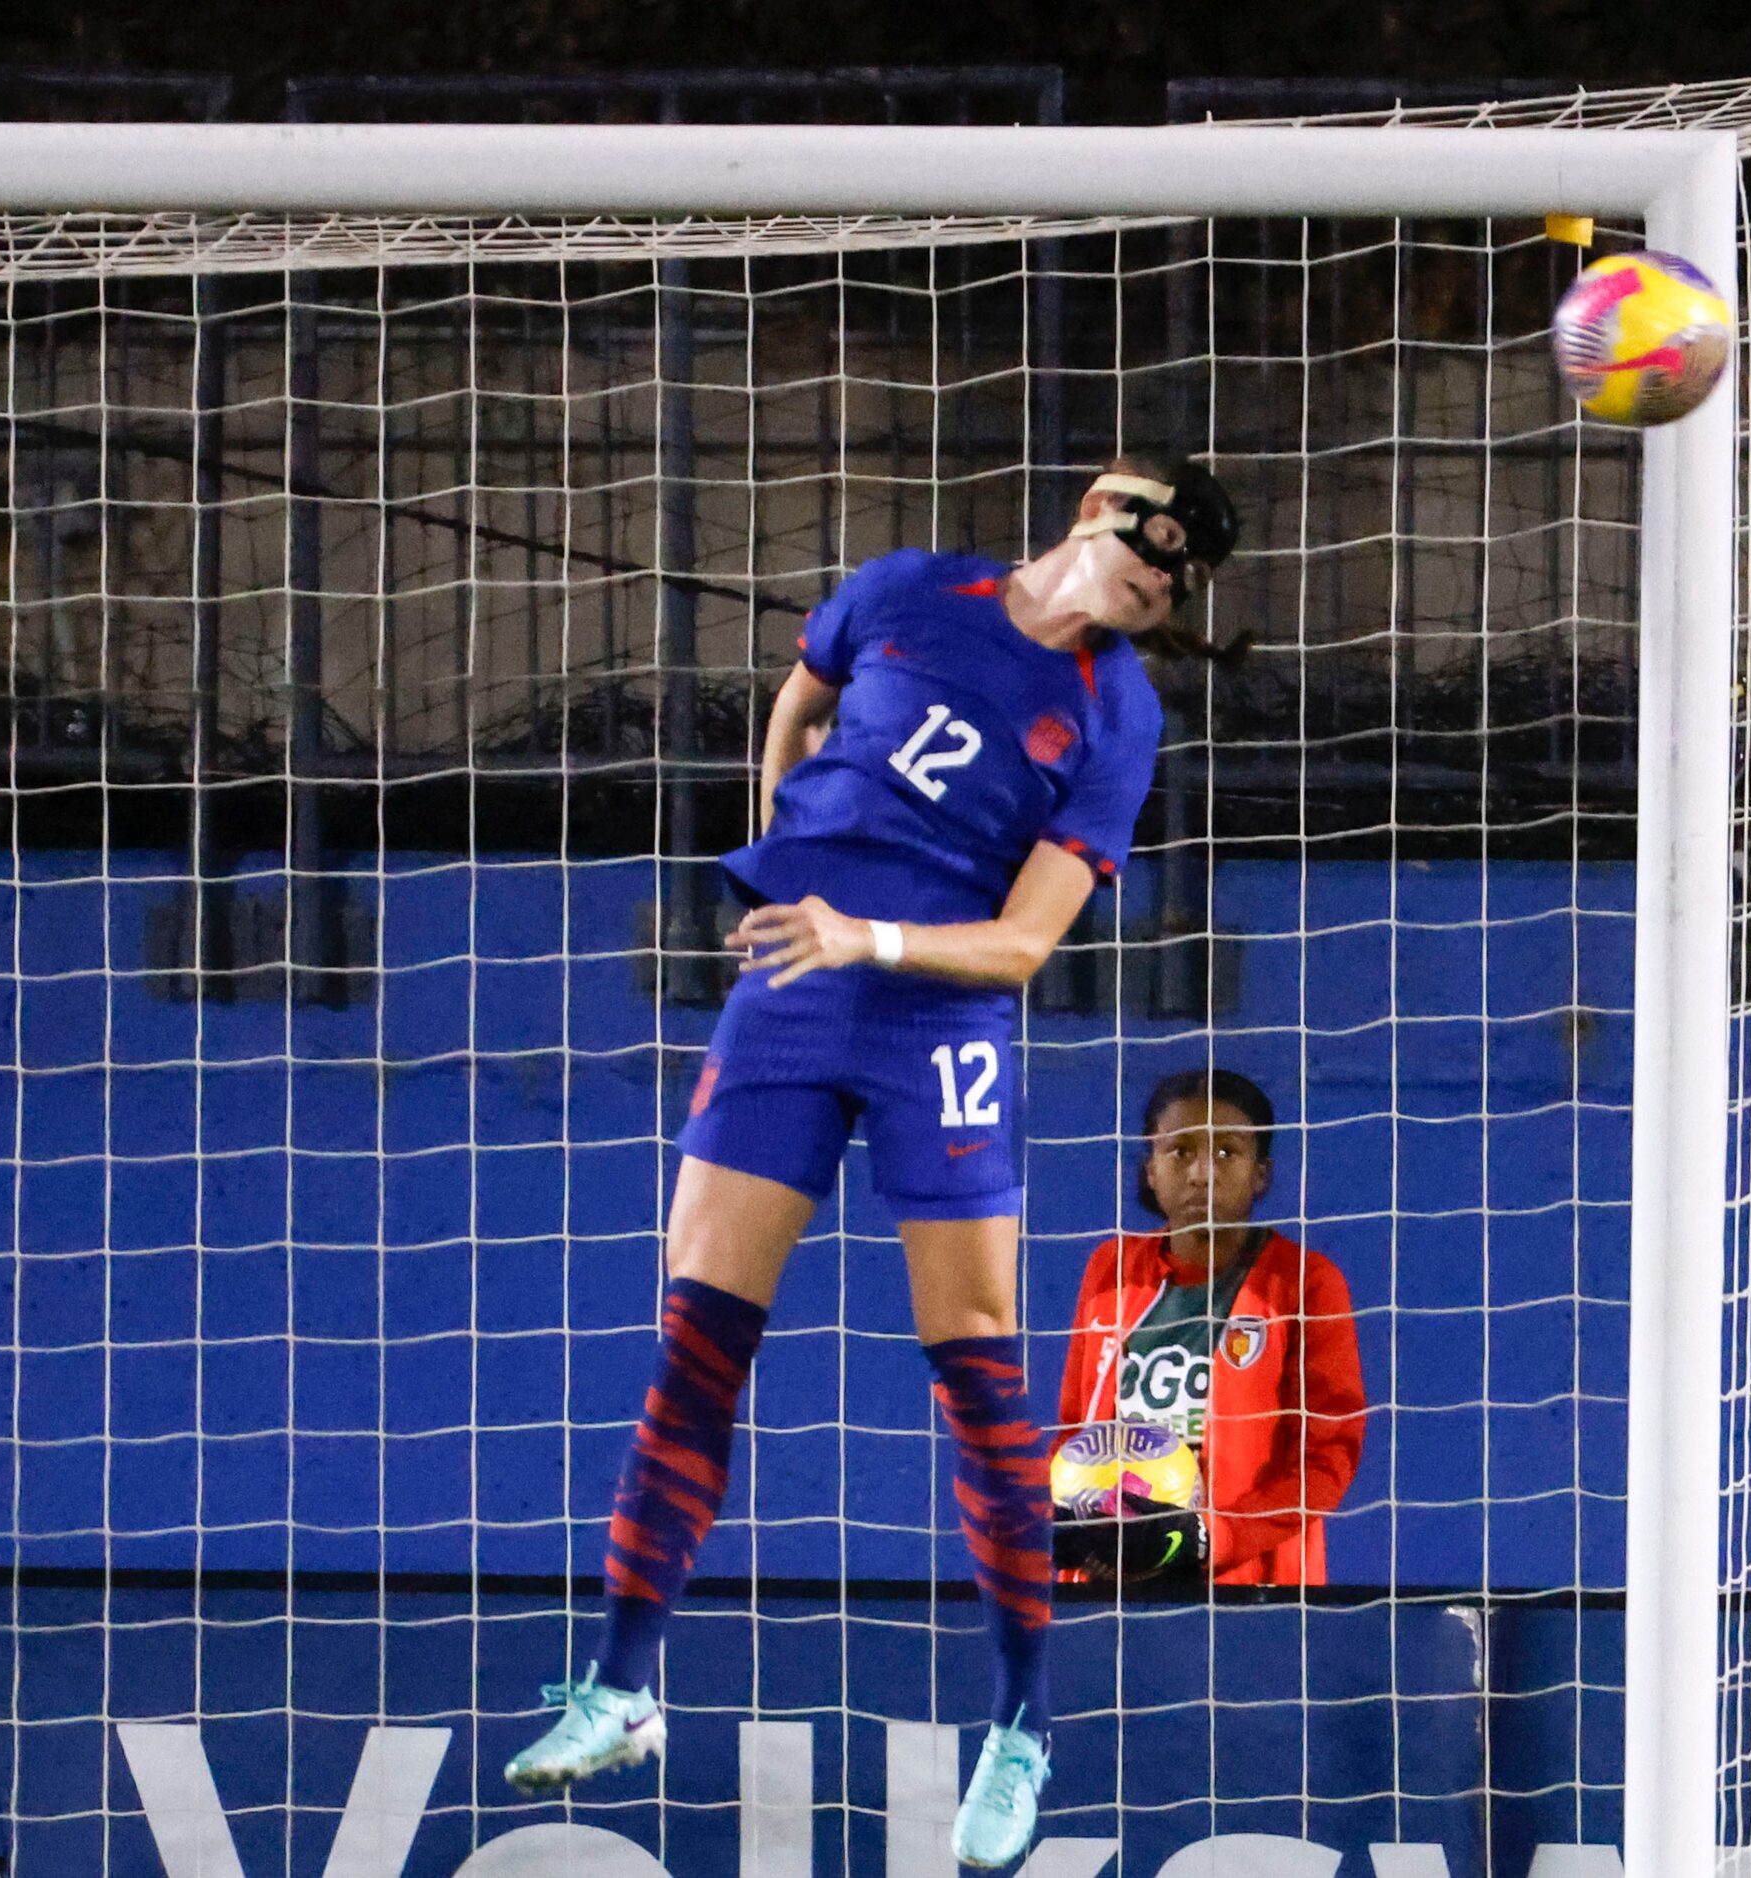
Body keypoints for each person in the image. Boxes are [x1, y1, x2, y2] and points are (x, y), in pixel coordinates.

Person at [503, 453, 1240, 1873]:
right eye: (1166, 550)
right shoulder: (908, 589)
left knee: (976, 1363)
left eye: (1185, 578)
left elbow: (1026, 947)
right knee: (697, 1336)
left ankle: (1023, 1725)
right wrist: (791, 861)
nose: (1167, 584)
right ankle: (624, 1685)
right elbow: (803, 695)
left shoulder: (1117, 713)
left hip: (941, 1021)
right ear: (1105, 511)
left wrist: (871, 936)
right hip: (796, 984)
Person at [1053, 1069, 1365, 1588]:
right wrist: (1066, 1513)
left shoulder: (1305, 1283)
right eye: (1180, 1151)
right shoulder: (1111, 1267)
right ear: (1150, 1169)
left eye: (1227, 1153)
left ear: (1261, 1173)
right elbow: (1075, 1427)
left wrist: (1209, 1536)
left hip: (1247, 1583)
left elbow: (1328, 1457)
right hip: (1111, 1576)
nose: (1202, 1172)